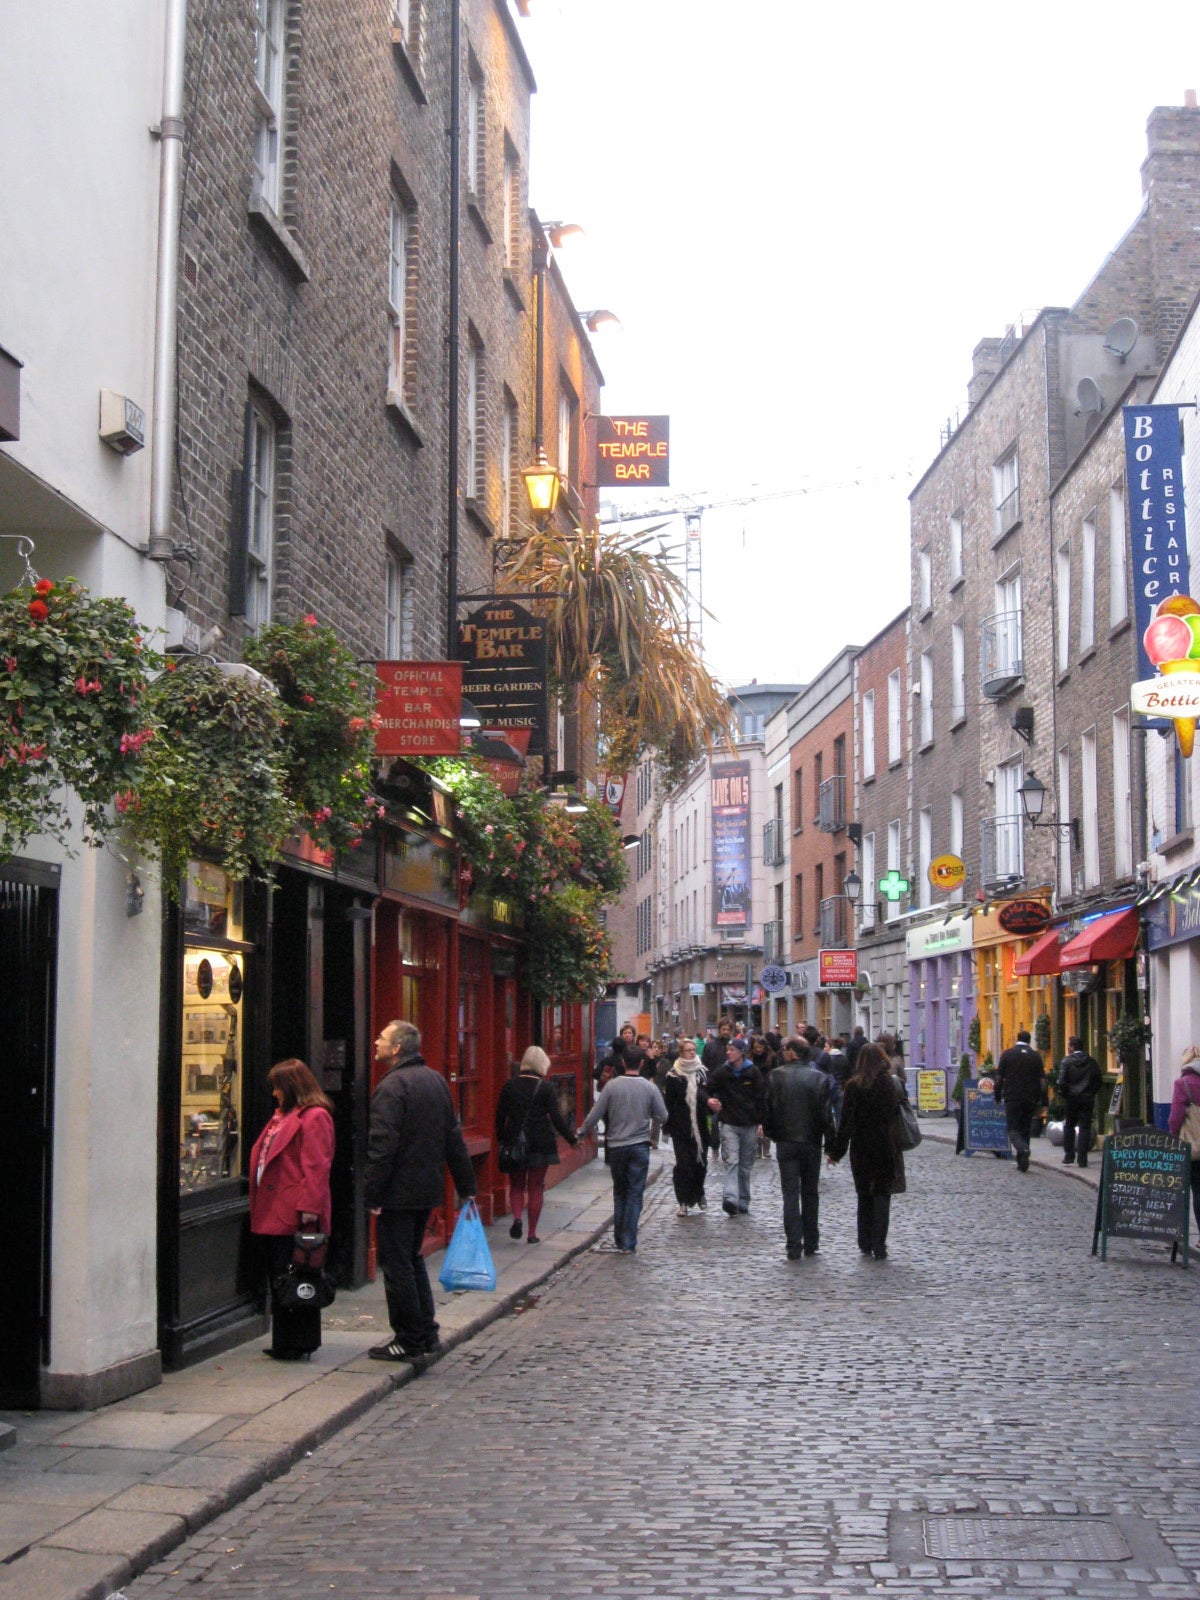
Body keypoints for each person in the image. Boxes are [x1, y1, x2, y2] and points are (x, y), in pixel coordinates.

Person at [364, 1020, 476, 1362]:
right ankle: (426, 1332)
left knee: (397, 1265)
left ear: (397, 1048)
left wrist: (373, 1194)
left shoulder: (392, 1088)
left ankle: (409, 1338)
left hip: (398, 1193)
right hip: (427, 1189)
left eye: (382, 1038)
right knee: (412, 1261)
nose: (376, 1042)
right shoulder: (436, 1081)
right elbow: (453, 1138)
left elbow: (382, 1146)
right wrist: (467, 1185)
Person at [248, 1058, 336, 1362]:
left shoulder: (315, 1118)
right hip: (275, 1208)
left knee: (299, 1276)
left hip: (295, 1211)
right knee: (282, 1277)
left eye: (277, 1087)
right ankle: (286, 1340)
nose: (274, 1093)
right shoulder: (281, 1117)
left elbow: (316, 1167)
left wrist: (309, 1209)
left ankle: (299, 1341)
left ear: (291, 1087)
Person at [577, 1052, 668, 1253]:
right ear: (642, 1063)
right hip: (639, 1145)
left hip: (616, 1146)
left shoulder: (611, 1086)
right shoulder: (650, 1088)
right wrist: (647, 1114)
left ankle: (620, 1238)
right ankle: (629, 1240)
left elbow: (596, 1113)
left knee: (620, 1192)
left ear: (624, 1062)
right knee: (635, 1193)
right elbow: (663, 1115)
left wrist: (582, 1131)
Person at [826, 1042, 907, 1260]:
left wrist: (835, 1152)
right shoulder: (890, 1084)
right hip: (885, 1144)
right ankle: (879, 1244)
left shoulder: (853, 1086)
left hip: (861, 1146)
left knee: (864, 1195)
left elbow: (846, 1123)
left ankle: (865, 1241)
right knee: (882, 1194)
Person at [496, 1046, 577, 1244]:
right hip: (541, 1142)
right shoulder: (546, 1087)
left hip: (515, 1140)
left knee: (516, 1185)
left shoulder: (510, 1086)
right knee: (535, 1187)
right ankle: (532, 1233)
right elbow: (557, 1118)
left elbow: (500, 1116)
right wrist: (572, 1139)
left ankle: (516, 1218)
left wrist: (502, 1140)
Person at [764, 1037, 835, 1259]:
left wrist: (773, 1134)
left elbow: (768, 1111)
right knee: (810, 1193)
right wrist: (830, 1145)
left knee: (791, 1194)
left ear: (793, 1052)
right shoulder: (818, 1078)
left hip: (786, 1142)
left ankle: (793, 1243)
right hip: (811, 1142)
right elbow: (826, 1115)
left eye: (785, 1049)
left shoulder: (775, 1077)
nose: (782, 1052)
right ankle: (811, 1241)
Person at [705, 1039, 766, 1217]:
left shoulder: (753, 1072)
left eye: (732, 1050)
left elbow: (762, 1097)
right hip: (729, 1123)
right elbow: (707, 1088)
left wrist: (762, 1122)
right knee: (731, 1161)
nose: (728, 1053)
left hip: (749, 1124)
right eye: (727, 1050)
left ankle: (744, 1200)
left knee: (746, 1165)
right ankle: (730, 1198)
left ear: (741, 1052)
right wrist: (711, 1101)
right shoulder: (722, 1072)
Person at [663, 1037, 711, 1215]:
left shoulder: (703, 1073)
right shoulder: (673, 1075)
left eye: (693, 1050)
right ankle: (683, 1201)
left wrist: (711, 1104)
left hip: (700, 1127)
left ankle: (699, 1193)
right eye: (688, 1050)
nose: (692, 1052)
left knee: (701, 1164)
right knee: (684, 1165)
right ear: (681, 1053)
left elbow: (707, 1095)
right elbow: (669, 1103)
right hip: (681, 1127)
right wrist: (666, 1128)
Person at [993, 1028, 1047, 1172]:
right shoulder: (1036, 1056)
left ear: (1017, 1039)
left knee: (1013, 1129)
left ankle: (1022, 1149)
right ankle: (1023, 1162)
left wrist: (997, 1094)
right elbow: (1042, 1081)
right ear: (1029, 1041)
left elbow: (999, 1079)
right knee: (1025, 1128)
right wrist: (1045, 1101)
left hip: (1012, 1097)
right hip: (1030, 1098)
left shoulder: (1007, 1055)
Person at [1056, 1035, 1103, 1167]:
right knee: (1085, 1127)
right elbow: (1098, 1080)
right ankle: (1083, 1158)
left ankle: (1069, 1155)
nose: (1067, 1047)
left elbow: (1062, 1081)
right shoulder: (1091, 1061)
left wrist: (1065, 1094)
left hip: (1072, 1099)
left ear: (1072, 1047)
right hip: (1087, 1098)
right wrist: (1090, 1093)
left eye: (1069, 1045)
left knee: (1069, 1126)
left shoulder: (1067, 1061)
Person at [1168, 1045, 1200, 1236]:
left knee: (1197, 1189)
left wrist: (1173, 1138)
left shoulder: (1184, 1084)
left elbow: (1175, 1118)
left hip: (1195, 1147)